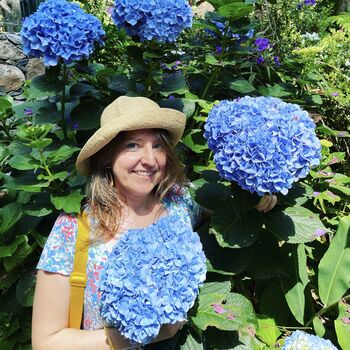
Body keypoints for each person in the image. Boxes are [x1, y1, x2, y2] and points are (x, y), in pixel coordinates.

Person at [31, 96, 277, 350]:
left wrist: (255, 196)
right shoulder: (73, 228)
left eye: (158, 145)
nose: (150, 159)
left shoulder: (179, 203)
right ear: (106, 156)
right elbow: (46, 341)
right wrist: (147, 334)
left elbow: (221, 216)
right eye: (133, 145)